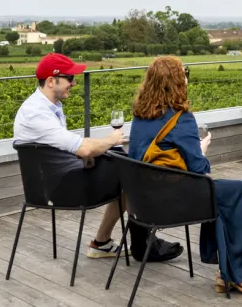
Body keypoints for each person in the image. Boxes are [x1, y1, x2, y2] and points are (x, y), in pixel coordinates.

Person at [13, 53, 183, 262]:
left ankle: (104, 243)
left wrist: (97, 152)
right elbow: (82, 148)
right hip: (59, 188)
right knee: (129, 171)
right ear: (51, 81)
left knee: (122, 165)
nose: (74, 83)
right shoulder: (36, 113)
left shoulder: (46, 106)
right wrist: (111, 140)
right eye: (70, 78)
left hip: (52, 180)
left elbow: (65, 148)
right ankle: (143, 243)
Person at [128, 56, 242, 295]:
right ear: (177, 81)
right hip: (172, 201)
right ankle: (236, 274)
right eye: (184, 72)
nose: (187, 77)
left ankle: (226, 273)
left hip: (143, 201)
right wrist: (202, 149)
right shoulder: (181, 119)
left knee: (219, 195)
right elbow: (200, 169)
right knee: (238, 191)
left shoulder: (140, 114)